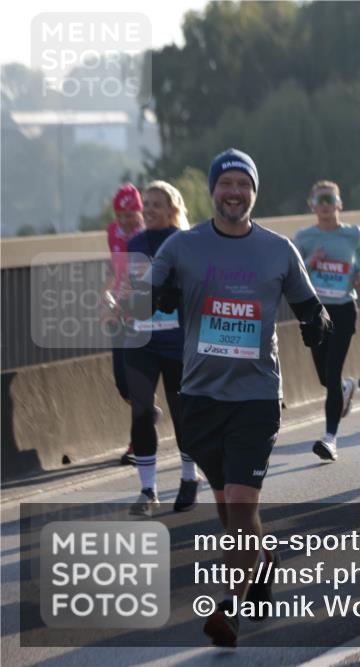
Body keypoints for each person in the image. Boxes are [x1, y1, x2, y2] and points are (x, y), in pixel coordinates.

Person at [144, 148, 331, 647]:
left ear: (254, 192)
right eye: (225, 184)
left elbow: (309, 305)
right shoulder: (182, 248)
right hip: (200, 397)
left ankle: (229, 606)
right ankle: (263, 560)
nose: (234, 193)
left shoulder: (278, 250)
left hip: (256, 397)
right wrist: (152, 296)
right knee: (228, 506)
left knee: (243, 503)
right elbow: (146, 293)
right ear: (212, 191)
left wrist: (318, 326)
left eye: (242, 185)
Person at [124, 181, 199, 516]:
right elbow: (133, 291)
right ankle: (148, 489)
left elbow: (196, 288)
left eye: (157, 204)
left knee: (182, 413)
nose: (149, 209)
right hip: (141, 339)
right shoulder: (135, 243)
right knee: (140, 412)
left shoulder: (183, 242)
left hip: (176, 341)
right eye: (147, 204)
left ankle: (188, 476)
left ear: (172, 209)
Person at [293, 180, 360, 462]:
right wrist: (311, 261)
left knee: (333, 370)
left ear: (340, 204)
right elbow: (294, 272)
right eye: (318, 201)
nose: (324, 206)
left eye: (329, 199)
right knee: (326, 378)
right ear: (312, 207)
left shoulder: (353, 234)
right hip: (316, 312)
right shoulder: (303, 238)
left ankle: (330, 439)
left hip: (343, 309)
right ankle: (347, 388)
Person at [105, 183, 145, 466]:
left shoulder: (147, 235)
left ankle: (138, 441)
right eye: (120, 215)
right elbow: (115, 271)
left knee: (135, 378)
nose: (125, 220)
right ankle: (146, 412)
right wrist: (105, 295)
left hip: (141, 313)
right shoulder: (113, 233)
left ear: (139, 211)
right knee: (122, 382)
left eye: (130, 214)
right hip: (118, 311)